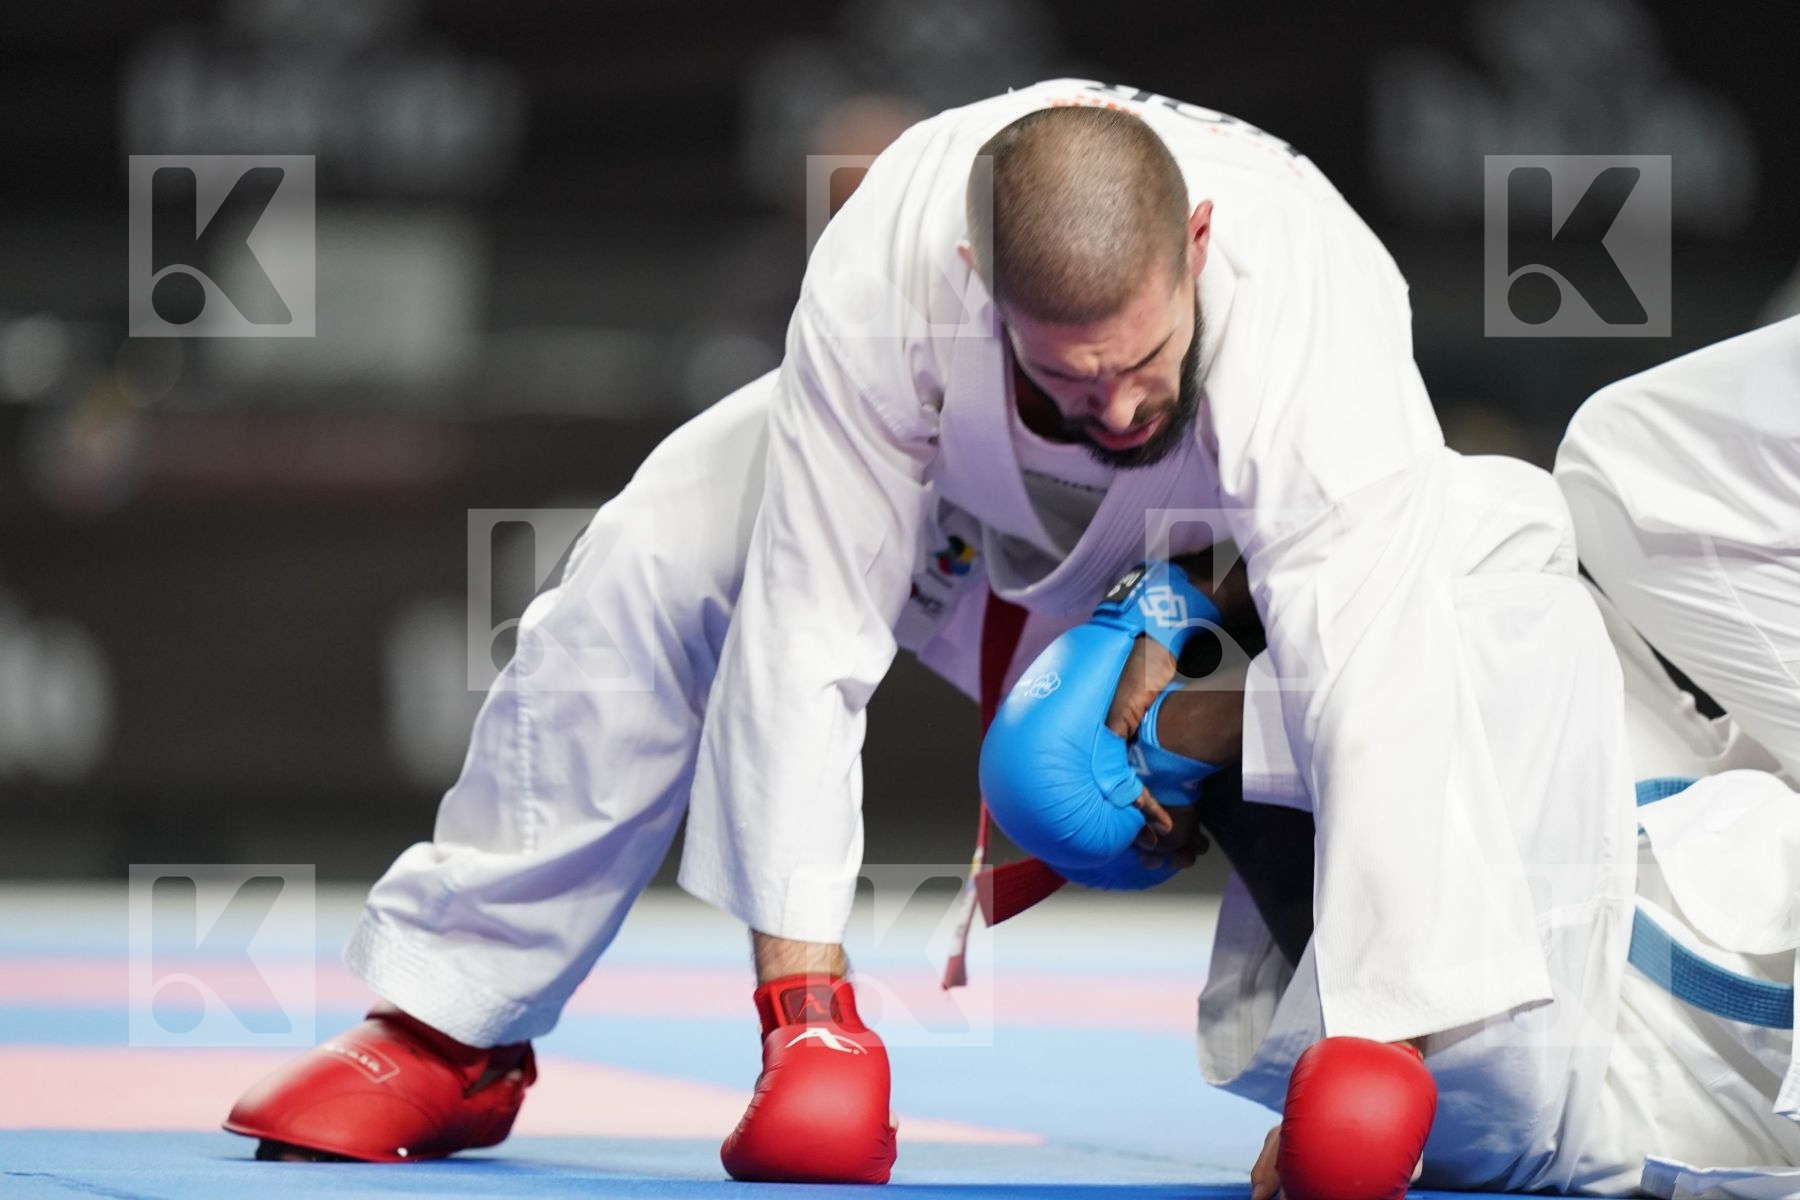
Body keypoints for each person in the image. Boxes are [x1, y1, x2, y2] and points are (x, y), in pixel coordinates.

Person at [226, 77, 1583, 1181]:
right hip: (963, 514)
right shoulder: (885, 271)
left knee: (1449, 626)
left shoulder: (1318, 305)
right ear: (975, 285)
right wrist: (802, 1021)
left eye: (1141, 363)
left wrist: (1378, 1040)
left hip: (1214, 564)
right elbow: (803, 631)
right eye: (1068, 371)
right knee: (653, 551)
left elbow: (1370, 661)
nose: (1113, 405)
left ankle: (1401, 1054)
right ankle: (452, 1022)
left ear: (1200, 247)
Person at [984, 552, 1800, 1198]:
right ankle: (1193, 697)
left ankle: (1191, 703)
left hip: (1579, 1063)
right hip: (1621, 895)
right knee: (1561, 524)